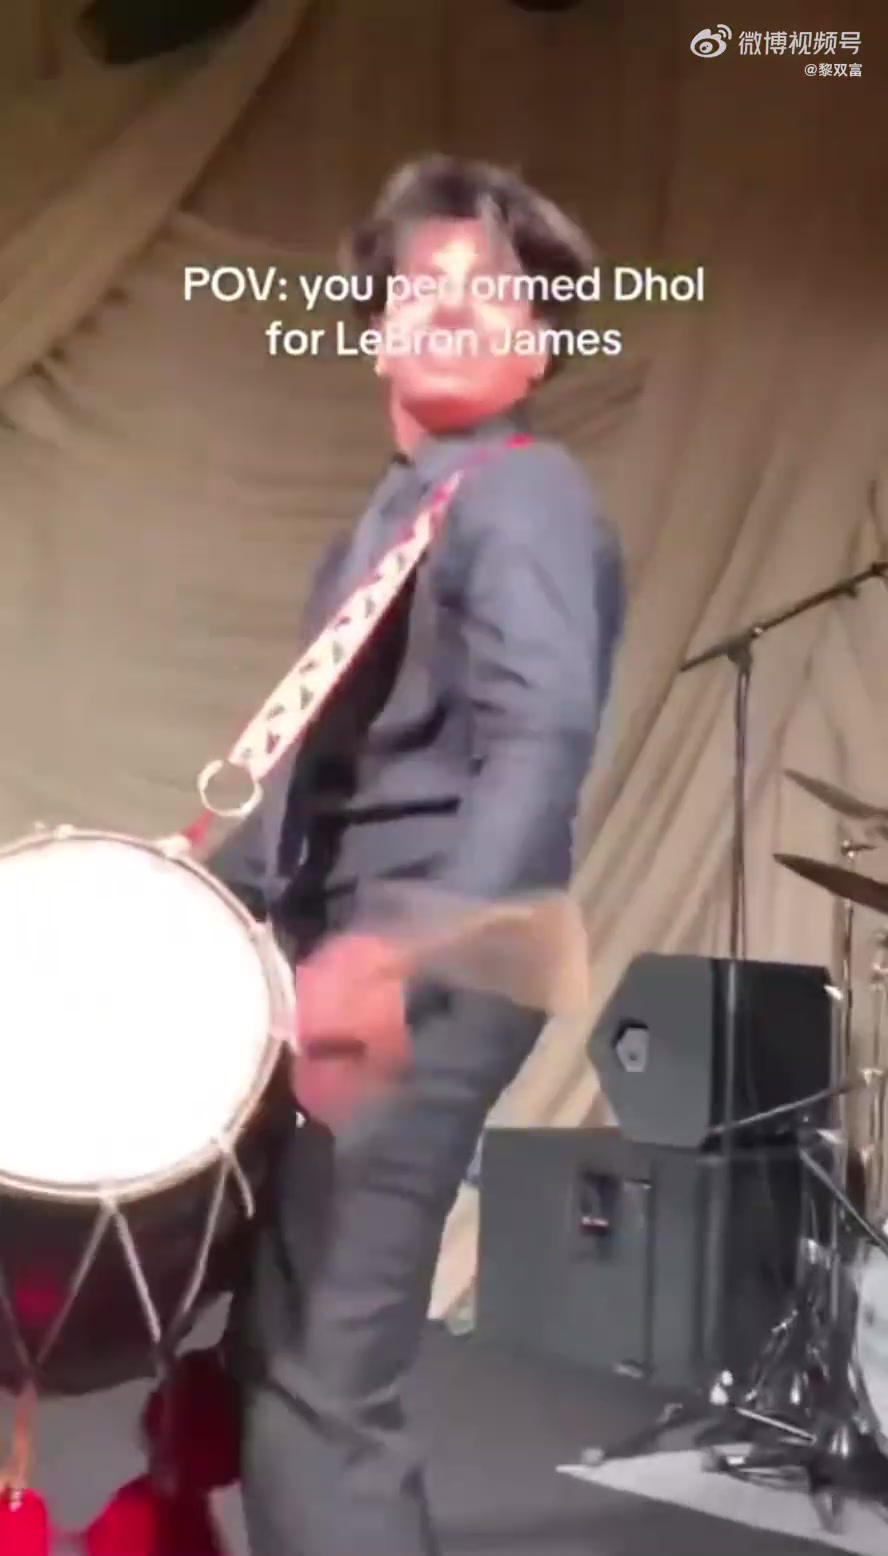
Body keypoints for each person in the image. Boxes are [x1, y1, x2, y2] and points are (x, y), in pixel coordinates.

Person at [209, 154, 625, 1556]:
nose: (447, 310)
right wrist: (193, 910)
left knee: (320, 1378)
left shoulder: (525, 494)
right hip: (349, 954)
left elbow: (541, 743)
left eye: (488, 290)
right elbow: (312, 791)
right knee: (288, 1350)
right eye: (417, 287)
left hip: (423, 964)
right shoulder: (388, 523)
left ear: (540, 344)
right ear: (376, 328)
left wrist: (396, 954)